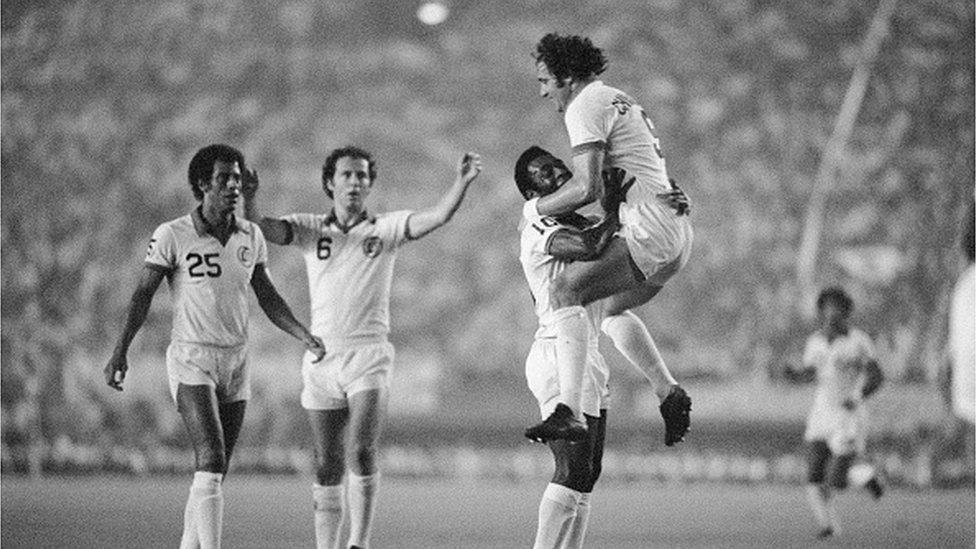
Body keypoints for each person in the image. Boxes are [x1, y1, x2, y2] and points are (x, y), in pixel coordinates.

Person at [243, 146, 482, 549]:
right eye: (347, 175)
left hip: (369, 353)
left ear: (370, 184)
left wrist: (460, 182)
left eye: (362, 176)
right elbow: (258, 228)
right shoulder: (309, 228)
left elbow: (438, 217)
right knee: (326, 461)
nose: (355, 182)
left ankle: (358, 542)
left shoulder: (385, 229)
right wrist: (249, 198)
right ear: (329, 183)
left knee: (363, 448)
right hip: (323, 354)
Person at [103, 144, 326, 549]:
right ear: (203, 184)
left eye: (238, 178)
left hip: (236, 360)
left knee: (214, 472)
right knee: (210, 456)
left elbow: (267, 295)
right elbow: (142, 295)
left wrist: (302, 332)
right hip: (192, 356)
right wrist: (120, 351)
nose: (233, 186)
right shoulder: (172, 234)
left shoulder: (251, 235)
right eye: (224, 178)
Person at [515, 145, 690, 548]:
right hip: (556, 353)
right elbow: (588, 246)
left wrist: (673, 204)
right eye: (544, 174)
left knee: (587, 473)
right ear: (532, 194)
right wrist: (613, 211)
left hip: (586, 354)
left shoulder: (589, 220)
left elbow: (626, 235)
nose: (558, 174)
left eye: (559, 167)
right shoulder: (538, 225)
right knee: (571, 468)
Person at [524, 33, 693, 442]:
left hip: (649, 227)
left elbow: (587, 189)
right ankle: (667, 389)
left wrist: (533, 209)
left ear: (566, 76)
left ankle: (568, 410)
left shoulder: (583, 106)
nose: (544, 91)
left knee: (565, 291)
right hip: (675, 230)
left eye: (546, 80)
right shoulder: (619, 99)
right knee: (606, 309)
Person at [800, 287, 885, 539]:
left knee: (836, 479)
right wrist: (793, 373)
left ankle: (869, 476)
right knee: (814, 473)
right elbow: (810, 373)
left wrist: (857, 396)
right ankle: (828, 525)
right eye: (828, 306)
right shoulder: (814, 342)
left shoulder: (859, 341)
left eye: (838, 306)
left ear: (846, 311)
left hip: (848, 417)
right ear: (821, 310)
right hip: (820, 415)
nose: (832, 311)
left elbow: (877, 376)